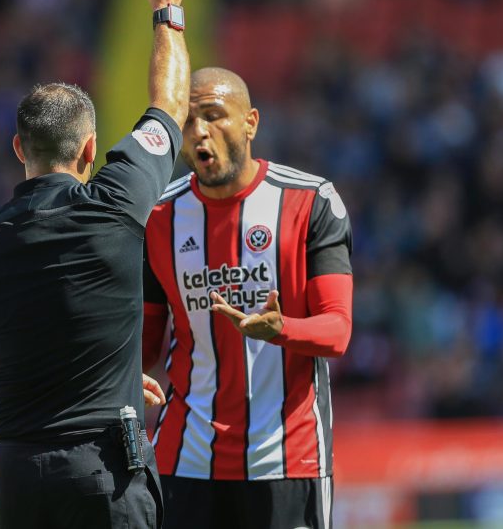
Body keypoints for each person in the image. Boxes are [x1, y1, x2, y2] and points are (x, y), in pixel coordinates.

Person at [0, 0, 188, 529]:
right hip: (104, 473)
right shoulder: (116, 204)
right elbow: (170, 105)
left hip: (18, 480)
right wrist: (168, 10)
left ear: (17, 150)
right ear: (88, 151)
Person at [142, 67, 353, 529]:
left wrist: (283, 330)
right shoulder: (157, 216)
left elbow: (337, 330)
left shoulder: (311, 202)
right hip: (185, 457)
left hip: (287, 457)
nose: (200, 132)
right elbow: (144, 343)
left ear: (251, 122)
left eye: (214, 116)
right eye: (188, 122)